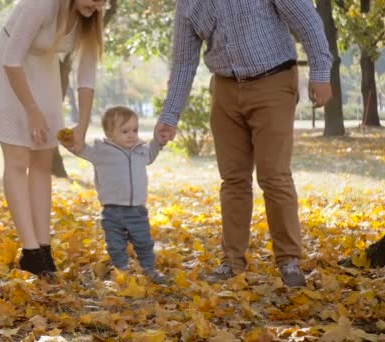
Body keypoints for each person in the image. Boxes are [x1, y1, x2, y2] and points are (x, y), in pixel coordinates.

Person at [154, 0, 333, 288]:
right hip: (225, 88)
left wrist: (321, 74)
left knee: (273, 175)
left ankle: (289, 261)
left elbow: (307, 21)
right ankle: (232, 263)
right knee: (233, 179)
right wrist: (169, 116)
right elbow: (184, 62)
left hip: (273, 80)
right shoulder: (187, 4)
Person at [0, 0, 105, 277]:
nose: (99, 4)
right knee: (19, 159)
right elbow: (11, 58)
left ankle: (44, 248)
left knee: (43, 159)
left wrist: (82, 124)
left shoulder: (90, 16)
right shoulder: (41, 4)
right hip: (8, 73)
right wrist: (32, 111)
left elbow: (87, 74)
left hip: (43, 76)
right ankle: (30, 251)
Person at [61, 106, 168, 284]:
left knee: (144, 242)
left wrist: (159, 142)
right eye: (125, 131)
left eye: (135, 130)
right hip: (112, 211)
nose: (132, 135)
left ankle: (149, 269)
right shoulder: (101, 151)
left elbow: (151, 154)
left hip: (137, 210)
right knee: (116, 245)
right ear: (110, 133)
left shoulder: (141, 149)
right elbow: (80, 149)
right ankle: (122, 271)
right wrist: (69, 141)